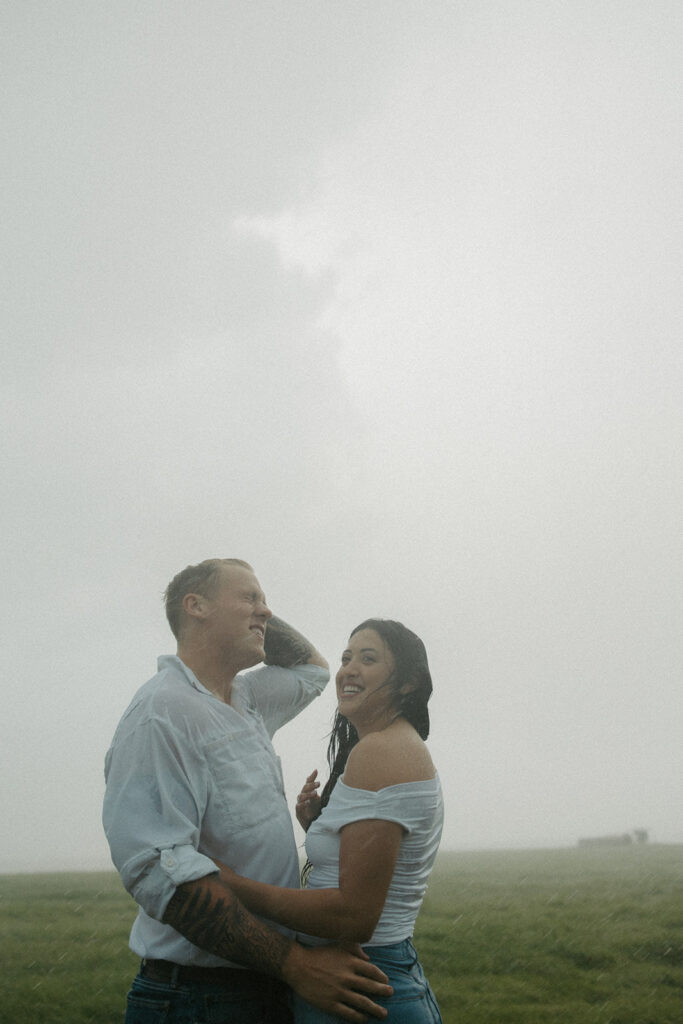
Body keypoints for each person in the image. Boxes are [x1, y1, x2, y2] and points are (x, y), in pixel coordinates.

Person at [103, 559, 392, 1024]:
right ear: (194, 607)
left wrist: (252, 617)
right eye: (250, 597)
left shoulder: (246, 697)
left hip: (264, 985)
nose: (266, 611)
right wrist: (295, 964)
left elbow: (312, 670)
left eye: (264, 601)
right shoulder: (162, 713)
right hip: (199, 1000)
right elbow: (159, 871)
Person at [217, 618, 444, 1023]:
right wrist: (321, 829)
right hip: (366, 982)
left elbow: (354, 915)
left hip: (366, 984)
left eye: (368, 658)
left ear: (408, 682)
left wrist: (228, 884)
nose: (348, 669)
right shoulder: (385, 746)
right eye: (346, 657)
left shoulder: (383, 752)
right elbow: (374, 879)